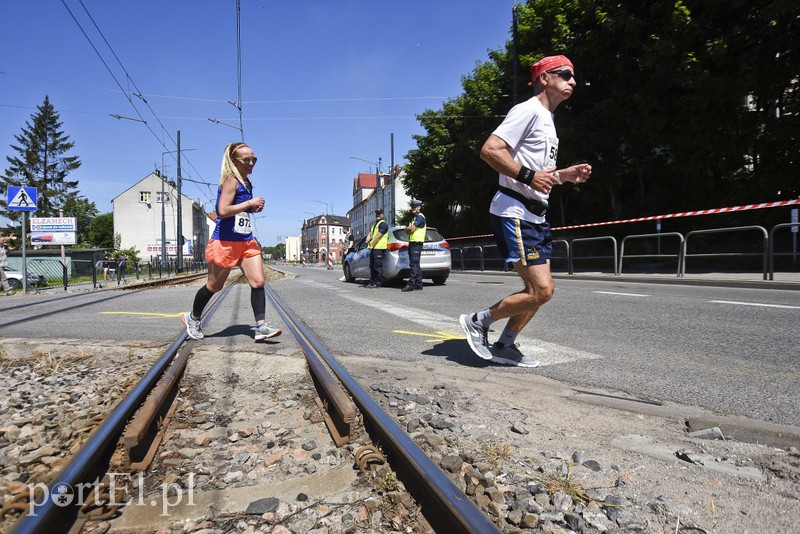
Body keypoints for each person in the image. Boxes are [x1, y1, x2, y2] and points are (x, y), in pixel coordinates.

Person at [459, 54, 592, 367]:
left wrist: (563, 175)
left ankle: (506, 344)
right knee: (541, 289)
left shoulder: (548, 120)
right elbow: (490, 150)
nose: (572, 81)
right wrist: (530, 175)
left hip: (535, 214)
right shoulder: (528, 110)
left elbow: (540, 177)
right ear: (544, 78)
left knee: (542, 290)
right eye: (565, 74)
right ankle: (478, 321)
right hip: (514, 212)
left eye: (573, 76)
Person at [182, 142, 282, 342]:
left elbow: (239, 210)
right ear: (234, 161)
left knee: (258, 282)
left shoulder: (247, 182)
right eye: (247, 160)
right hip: (225, 242)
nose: (251, 163)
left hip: (246, 241)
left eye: (254, 159)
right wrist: (249, 203)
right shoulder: (231, 180)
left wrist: (252, 209)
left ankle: (261, 327)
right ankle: (192, 318)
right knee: (214, 286)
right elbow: (223, 210)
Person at [402, 199, 426, 292]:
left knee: (413, 265)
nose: (413, 208)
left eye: (415, 207)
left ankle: (410, 284)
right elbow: (409, 231)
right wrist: (408, 229)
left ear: (419, 207)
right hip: (413, 242)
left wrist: (408, 229)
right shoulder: (414, 218)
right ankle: (419, 284)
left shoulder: (420, 217)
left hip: (417, 243)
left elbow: (411, 229)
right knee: (416, 264)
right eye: (412, 207)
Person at [365, 208, 388, 288]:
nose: (377, 215)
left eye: (379, 213)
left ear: (382, 214)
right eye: (377, 214)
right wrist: (368, 237)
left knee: (377, 267)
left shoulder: (383, 224)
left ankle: (378, 282)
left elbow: (378, 236)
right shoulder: (375, 225)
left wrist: (372, 245)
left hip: (379, 248)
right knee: (372, 266)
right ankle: (372, 282)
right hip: (374, 249)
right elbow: (371, 233)